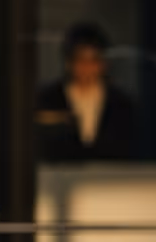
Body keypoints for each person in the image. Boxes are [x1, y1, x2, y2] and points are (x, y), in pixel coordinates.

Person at [37, 21, 138, 162]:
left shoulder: (122, 104)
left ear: (104, 63)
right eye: (80, 59)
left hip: (110, 180)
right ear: (68, 62)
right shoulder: (48, 99)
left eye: (94, 60)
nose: (87, 67)